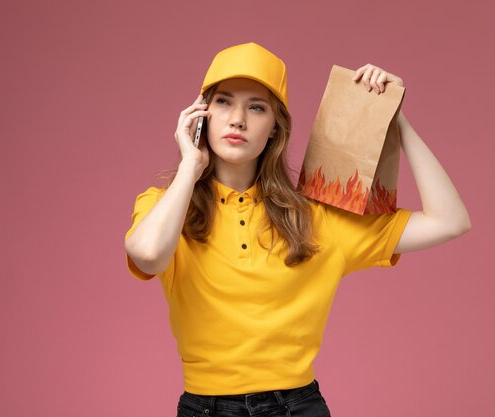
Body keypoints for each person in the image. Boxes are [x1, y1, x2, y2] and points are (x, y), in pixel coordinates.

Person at [124, 42, 470, 417]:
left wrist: (395, 117)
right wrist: (190, 168)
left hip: (296, 407)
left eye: (257, 107)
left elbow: (449, 221)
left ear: (275, 129)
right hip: (204, 408)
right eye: (224, 102)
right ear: (200, 115)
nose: (238, 118)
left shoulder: (315, 217)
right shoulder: (166, 206)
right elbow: (147, 255)